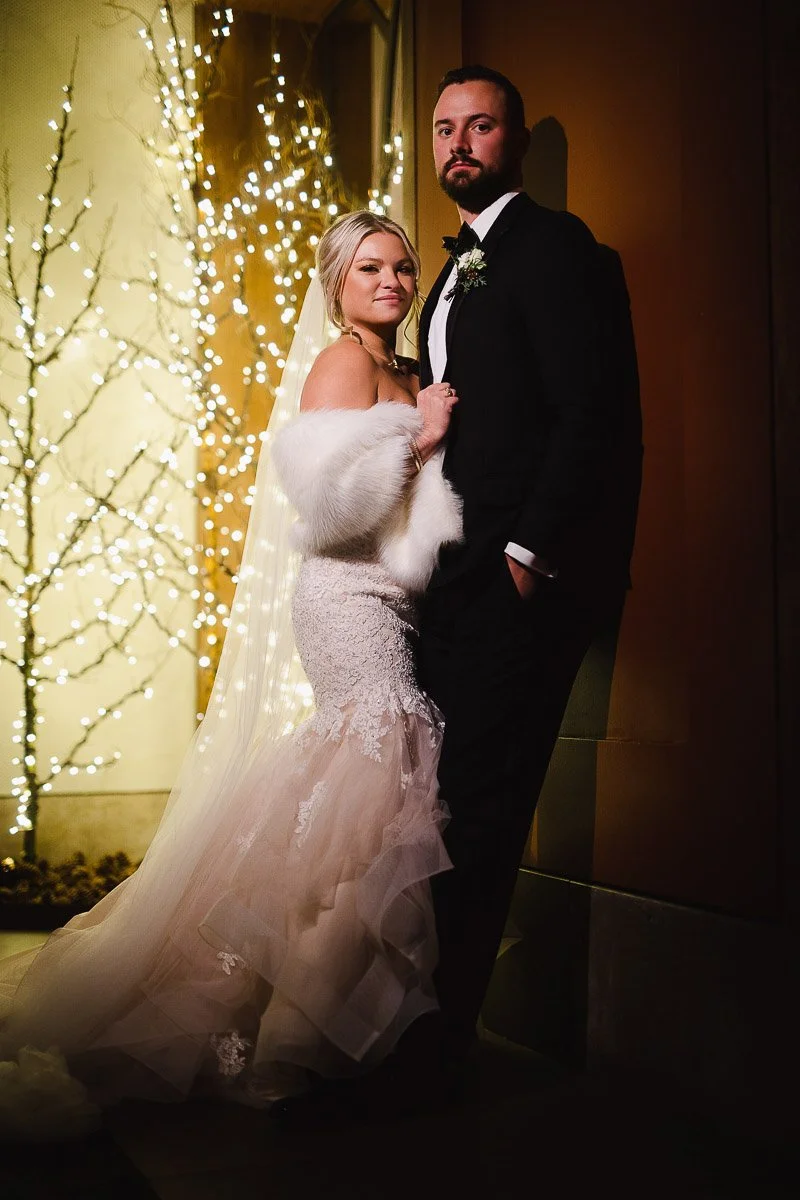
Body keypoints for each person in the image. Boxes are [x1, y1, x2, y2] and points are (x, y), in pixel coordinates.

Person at [0, 210, 463, 1140]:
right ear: (336, 285)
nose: (390, 281)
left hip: (395, 601)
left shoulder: (407, 369)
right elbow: (330, 508)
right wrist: (417, 437)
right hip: (344, 601)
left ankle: (308, 1017)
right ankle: (300, 1035)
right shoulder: (343, 363)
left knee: (356, 806)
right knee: (378, 777)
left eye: (402, 268)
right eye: (368, 267)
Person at [407, 65, 642, 1085]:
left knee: (480, 812)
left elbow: (587, 413)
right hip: (447, 581)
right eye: (444, 127)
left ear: (513, 143)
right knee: (435, 811)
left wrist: (520, 560)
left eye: (481, 126)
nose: (459, 143)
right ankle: (408, 1034)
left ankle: (432, 1056)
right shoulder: (449, 273)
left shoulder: (553, 247)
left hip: (511, 583)